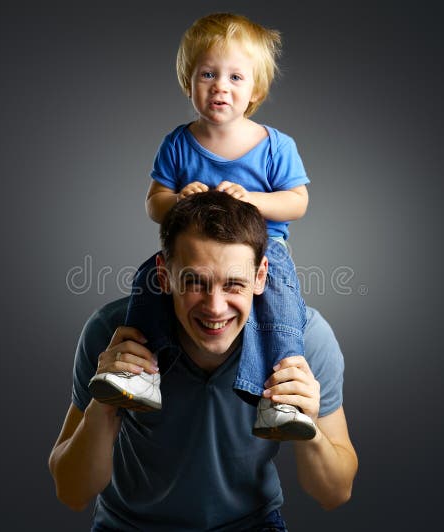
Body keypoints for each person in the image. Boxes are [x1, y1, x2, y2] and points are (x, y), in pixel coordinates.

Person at [49, 192, 358, 531]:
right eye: (195, 282)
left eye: (234, 285)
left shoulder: (305, 341)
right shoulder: (112, 332)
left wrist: (309, 429)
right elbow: (72, 492)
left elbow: (335, 493)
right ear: (164, 276)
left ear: (260, 277)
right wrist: (103, 407)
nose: (215, 307)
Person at [88, 12, 316, 440]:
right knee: (149, 279)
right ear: (188, 83)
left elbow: (298, 202)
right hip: (194, 253)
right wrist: (178, 200)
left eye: (235, 77)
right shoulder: (178, 142)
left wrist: (253, 200)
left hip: (265, 250)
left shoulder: (274, 146)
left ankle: (282, 396)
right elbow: (154, 204)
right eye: (208, 74)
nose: (220, 87)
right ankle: (141, 372)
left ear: (255, 89)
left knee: (281, 298)